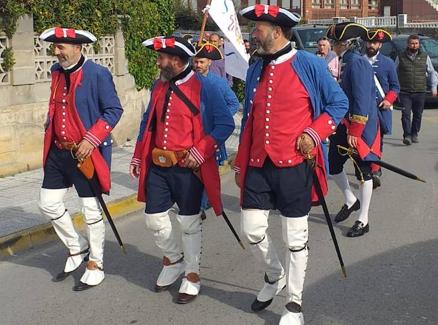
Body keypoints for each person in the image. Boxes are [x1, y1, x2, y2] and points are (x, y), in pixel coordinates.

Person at [236, 5, 349, 324]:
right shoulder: (255, 66)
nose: (253, 32)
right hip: (258, 162)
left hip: (295, 165)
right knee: (252, 229)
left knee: (294, 237)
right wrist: (240, 161)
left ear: (276, 30)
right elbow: (250, 117)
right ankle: (274, 275)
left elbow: (339, 103)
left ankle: (294, 303)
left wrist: (314, 133)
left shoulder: (309, 63)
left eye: (258, 27)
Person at [129, 36, 234, 304]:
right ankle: (174, 259)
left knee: (188, 222)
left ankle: (192, 274)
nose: (157, 62)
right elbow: (147, 122)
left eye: (161, 58)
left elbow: (225, 125)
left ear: (175, 60)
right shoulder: (159, 85)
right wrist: (138, 155)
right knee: (154, 218)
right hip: (158, 165)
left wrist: (201, 150)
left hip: (189, 167)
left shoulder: (206, 86)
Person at [37, 27, 123, 291]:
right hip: (58, 151)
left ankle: (95, 263)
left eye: (61, 47)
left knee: (90, 210)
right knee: (48, 203)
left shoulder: (98, 74)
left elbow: (113, 110)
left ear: (78, 47)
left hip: (85, 152)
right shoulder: (54, 72)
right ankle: (77, 246)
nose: (56, 51)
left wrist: (91, 138)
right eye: (55, 46)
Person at [326, 22, 380, 237]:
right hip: (342, 124)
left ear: (343, 43)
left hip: (359, 126)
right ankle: (351, 200)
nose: (331, 45)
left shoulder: (357, 63)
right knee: (334, 165)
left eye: (334, 42)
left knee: (363, 173)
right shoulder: (343, 60)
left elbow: (361, 99)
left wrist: (355, 131)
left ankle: (363, 219)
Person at [193, 42, 240, 218]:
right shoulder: (188, 81)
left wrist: (219, 120)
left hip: (210, 135)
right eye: (196, 62)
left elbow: (234, 103)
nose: (198, 65)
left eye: (202, 62)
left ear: (209, 63)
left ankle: (203, 204)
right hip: (191, 134)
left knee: (209, 171)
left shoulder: (218, 83)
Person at [362, 29, 400, 189]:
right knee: (363, 141)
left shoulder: (388, 63)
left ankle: (375, 169)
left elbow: (395, 87)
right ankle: (366, 166)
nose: (371, 45)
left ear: (380, 45)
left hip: (379, 109)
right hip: (362, 109)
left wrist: (388, 100)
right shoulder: (358, 61)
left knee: (378, 140)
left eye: (375, 43)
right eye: (369, 42)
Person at [395, 34, 438, 145]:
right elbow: (394, 73)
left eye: (416, 43)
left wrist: (434, 87)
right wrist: (394, 89)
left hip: (420, 91)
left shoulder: (425, 56)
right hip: (404, 91)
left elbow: (432, 72)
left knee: (418, 115)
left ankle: (414, 133)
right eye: (412, 43)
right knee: (405, 115)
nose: (414, 46)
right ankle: (407, 135)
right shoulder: (400, 57)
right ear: (408, 44)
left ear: (419, 44)